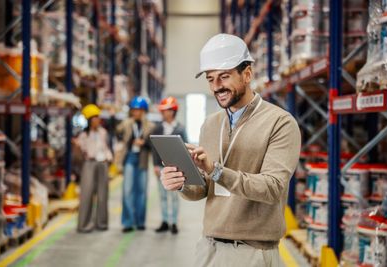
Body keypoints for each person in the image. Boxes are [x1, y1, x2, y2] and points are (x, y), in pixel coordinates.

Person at [160, 33, 301, 266]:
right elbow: (204, 189)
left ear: (247, 74)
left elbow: (272, 188)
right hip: (209, 248)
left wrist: (216, 171)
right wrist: (182, 182)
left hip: (253, 251)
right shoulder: (210, 125)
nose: (217, 86)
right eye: (210, 78)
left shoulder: (280, 123)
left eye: (224, 76)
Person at [116, 96, 155, 232]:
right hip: (129, 158)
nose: (136, 112)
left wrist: (144, 143)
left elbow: (153, 144)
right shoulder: (126, 123)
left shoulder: (150, 126)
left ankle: (140, 222)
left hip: (142, 159)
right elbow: (117, 133)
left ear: (144, 111)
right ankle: (128, 222)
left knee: (142, 192)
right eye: (134, 110)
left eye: (139, 110)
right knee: (127, 191)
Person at [152, 97, 188, 234]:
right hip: (161, 168)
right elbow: (154, 148)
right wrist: (155, 165)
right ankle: (165, 221)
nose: (163, 113)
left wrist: (183, 168)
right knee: (162, 195)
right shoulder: (157, 128)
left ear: (173, 111)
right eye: (162, 111)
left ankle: (173, 222)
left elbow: (185, 148)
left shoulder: (180, 129)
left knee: (173, 196)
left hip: (175, 168)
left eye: (166, 110)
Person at [77, 104, 112, 233]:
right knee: (86, 194)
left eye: (98, 117)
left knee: (103, 195)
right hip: (89, 164)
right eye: (94, 118)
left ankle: (102, 223)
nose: (97, 120)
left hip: (102, 164)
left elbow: (106, 147)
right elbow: (80, 152)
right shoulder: (83, 135)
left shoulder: (103, 132)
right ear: (89, 120)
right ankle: (84, 224)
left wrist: (109, 157)